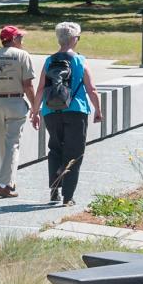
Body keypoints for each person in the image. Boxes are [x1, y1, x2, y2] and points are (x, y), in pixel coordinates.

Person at [37, 22, 104, 207]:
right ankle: (68, 197)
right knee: (74, 153)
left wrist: (35, 111)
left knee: (55, 149)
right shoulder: (80, 61)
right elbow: (92, 89)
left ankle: (54, 190)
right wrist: (98, 110)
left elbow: (41, 88)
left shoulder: (49, 60)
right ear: (74, 39)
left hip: (50, 111)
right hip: (76, 110)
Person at [0, 26, 40, 199]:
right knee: (13, 144)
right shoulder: (22, 55)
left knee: (3, 144)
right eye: (20, 37)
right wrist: (35, 108)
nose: (22, 41)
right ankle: (3, 185)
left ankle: (9, 182)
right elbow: (28, 85)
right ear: (13, 39)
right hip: (15, 102)